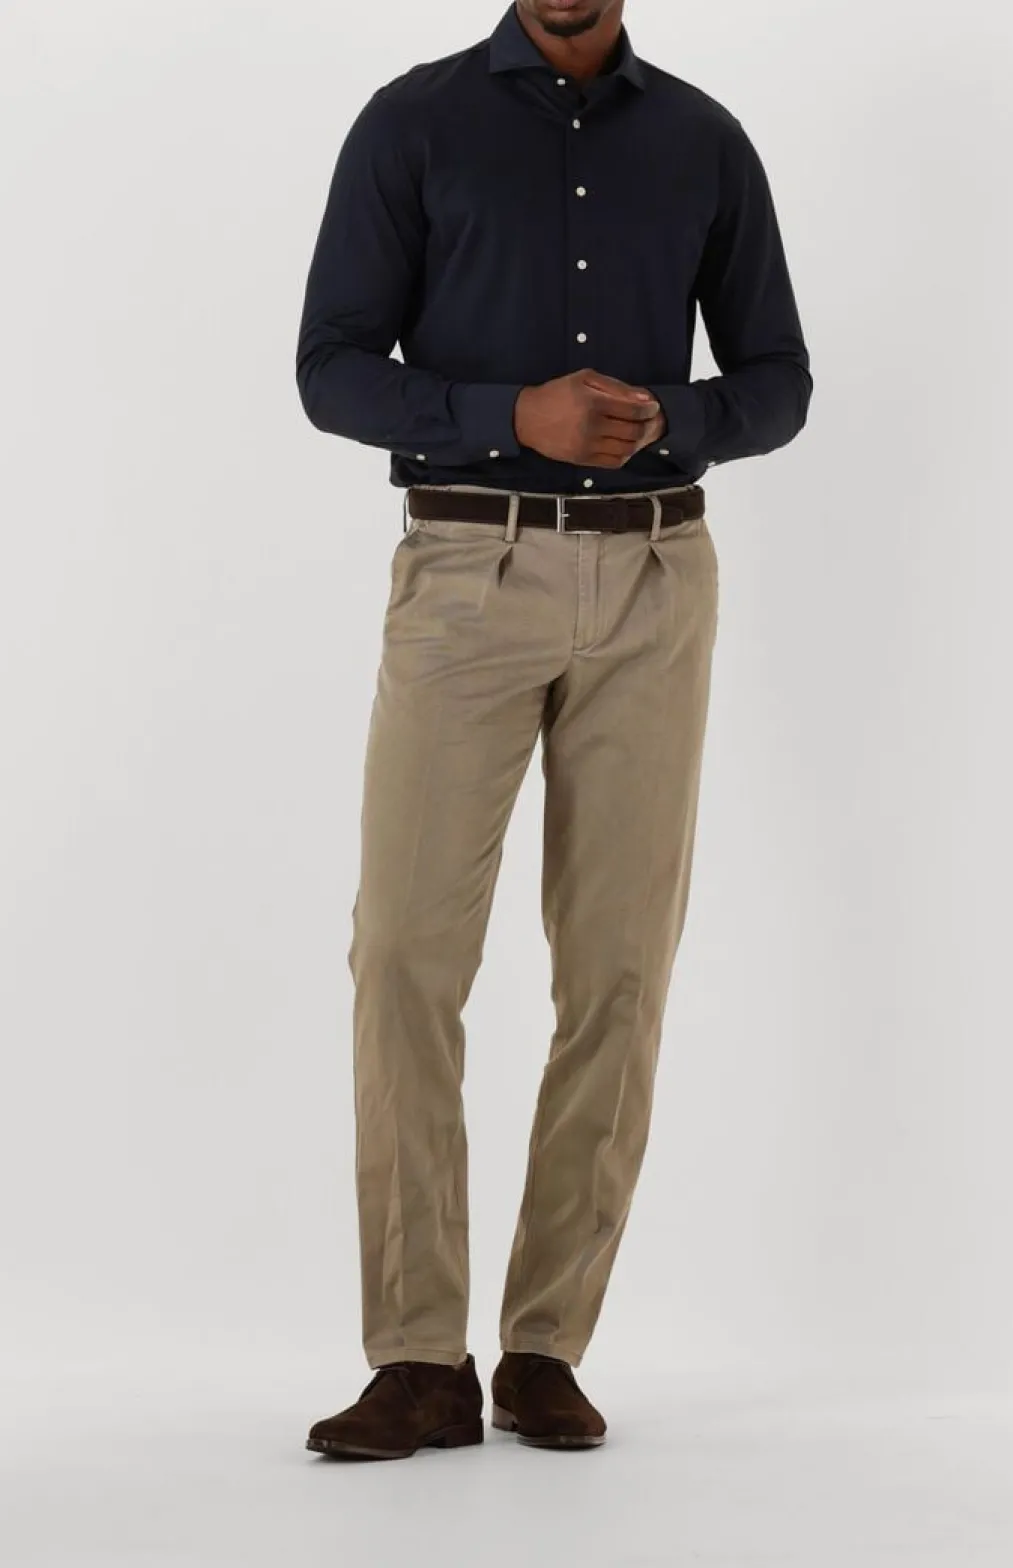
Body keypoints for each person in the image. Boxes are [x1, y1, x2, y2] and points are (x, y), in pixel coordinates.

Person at [296, 0, 811, 1460]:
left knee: (620, 967)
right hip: (468, 564)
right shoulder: (413, 124)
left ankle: (543, 1348)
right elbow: (332, 367)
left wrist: (677, 424)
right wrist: (507, 413)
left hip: (656, 579)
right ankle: (418, 1357)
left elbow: (778, 379)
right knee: (405, 951)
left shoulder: (705, 141)